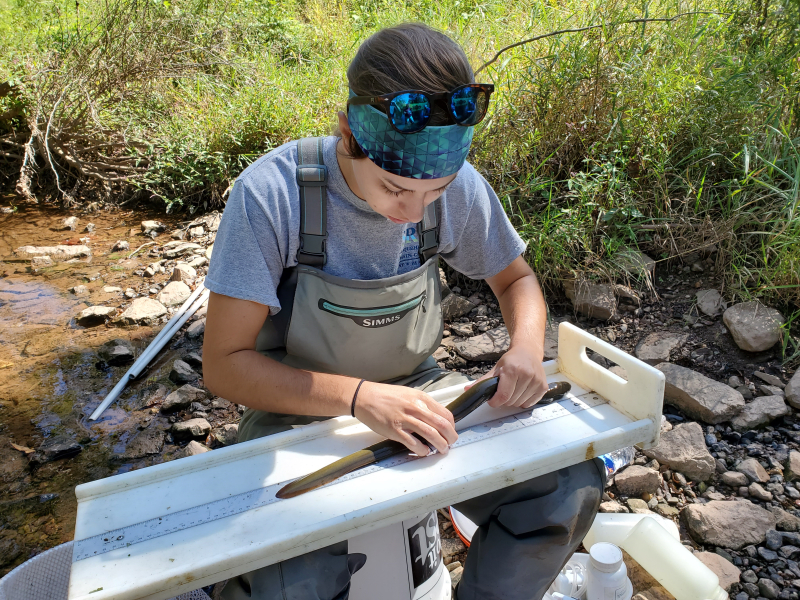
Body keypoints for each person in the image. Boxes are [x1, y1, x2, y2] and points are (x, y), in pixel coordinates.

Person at [203, 22, 603, 600]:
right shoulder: (274, 195)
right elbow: (224, 366)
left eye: (434, 194)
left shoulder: (456, 186)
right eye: (395, 189)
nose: (414, 214)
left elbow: (516, 279)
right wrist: (361, 398)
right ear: (348, 134)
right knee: (295, 572)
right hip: (296, 413)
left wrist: (523, 349)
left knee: (567, 484)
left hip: (424, 397)